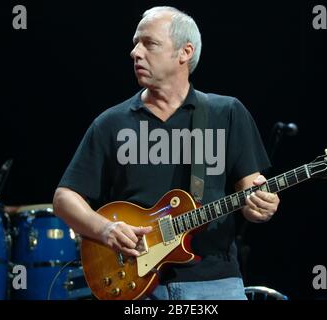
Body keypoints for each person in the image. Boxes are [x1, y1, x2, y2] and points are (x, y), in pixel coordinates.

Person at [53, 6, 280, 300]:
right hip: (136, 283)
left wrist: (262, 205)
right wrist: (106, 229)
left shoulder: (227, 113)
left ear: (184, 52)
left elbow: (251, 192)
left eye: (149, 43)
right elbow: (64, 199)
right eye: (135, 43)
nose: (135, 53)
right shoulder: (111, 122)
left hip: (214, 282)